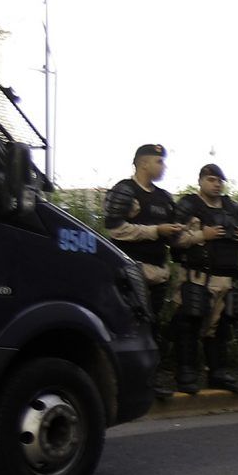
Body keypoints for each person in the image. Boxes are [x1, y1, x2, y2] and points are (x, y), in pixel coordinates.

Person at [104, 143, 185, 398]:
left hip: (159, 272)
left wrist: (188, 233)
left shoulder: (163, 197)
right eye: (159, 162)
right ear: (143, 163)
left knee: (152, 328)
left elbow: (173, 237)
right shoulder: (125, 191)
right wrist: (155, 231)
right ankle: (125, 384)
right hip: (131, 271)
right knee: (129, 328)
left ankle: (149, 382)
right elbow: (115, 229)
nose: (163, 167)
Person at [172, 163, 238, 394]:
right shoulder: (188, 205)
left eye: (219, 180)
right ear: (201, 180)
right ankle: (186, 373)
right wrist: (201, 235)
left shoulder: (233, 208)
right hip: (196, 276)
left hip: (225, 277)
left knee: (220, 328)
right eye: (211, 180)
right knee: (189, 324)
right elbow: (175, 240)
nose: (216, 184)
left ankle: (217, 373)